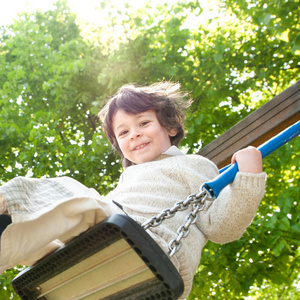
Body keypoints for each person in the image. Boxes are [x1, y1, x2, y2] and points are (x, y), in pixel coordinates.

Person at [0, 82, 266, 299]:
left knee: (75, 196)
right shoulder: (127, 179)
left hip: (150, 252)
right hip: (96, 268)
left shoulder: (191, 165)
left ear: (170, 127)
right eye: (124, 132)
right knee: (45, 241)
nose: (134, 134)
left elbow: (222, 228)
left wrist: (248, 177)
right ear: (119, 146)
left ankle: (6, 205)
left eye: (143, 123)